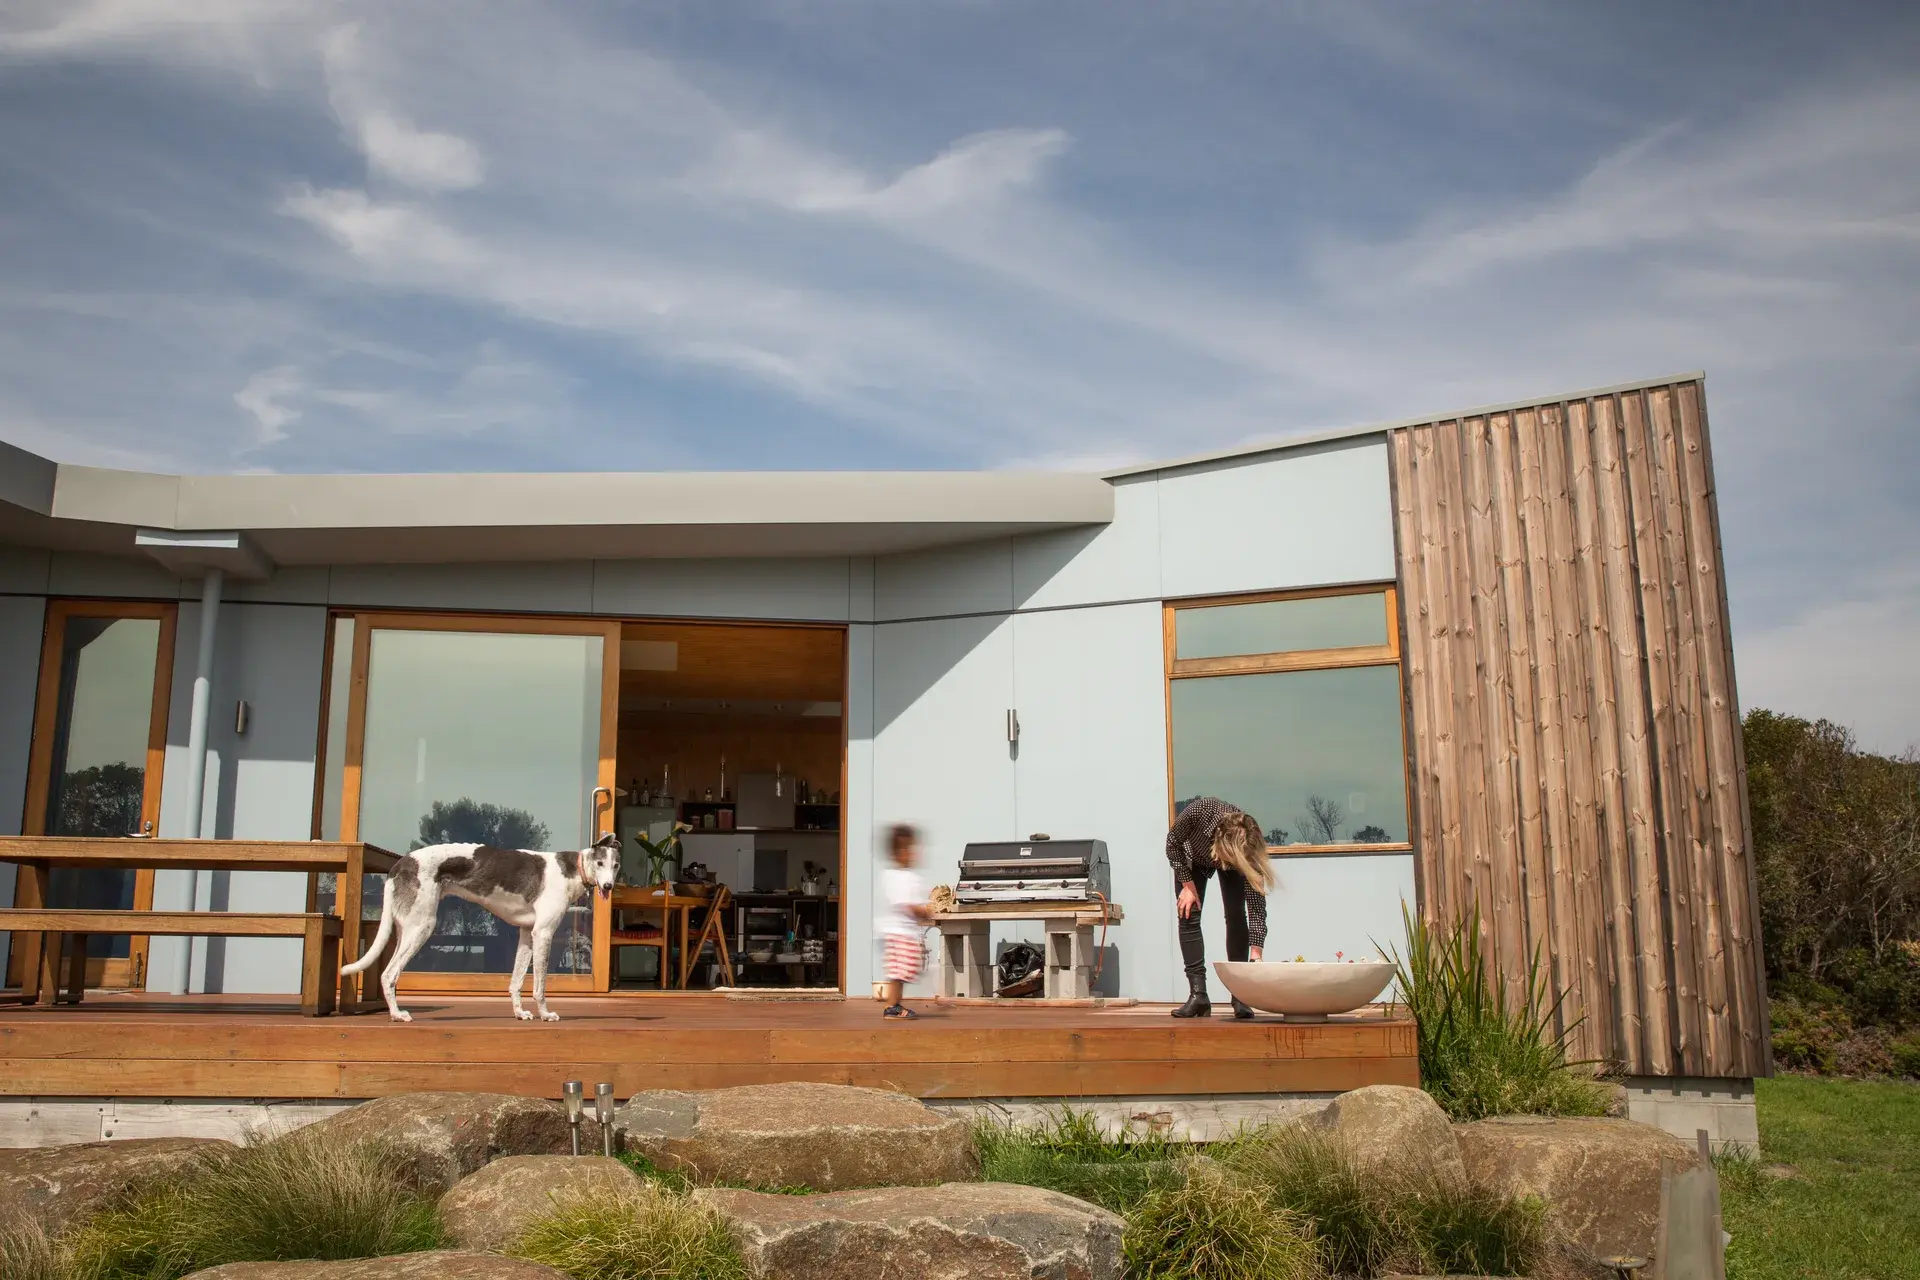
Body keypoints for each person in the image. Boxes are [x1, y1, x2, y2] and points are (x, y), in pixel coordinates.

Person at [1164, 796, 1272, 1019]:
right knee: (1188, 913)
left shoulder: (1247, 845)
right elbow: (1172, 842)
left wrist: (1256, 954)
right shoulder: (1201, 810)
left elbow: (1256, 905)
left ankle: (1240, 996)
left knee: (1236, 915)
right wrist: (1186, 883)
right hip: (1191, 857)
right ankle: (1198, 995)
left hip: (1231, 856)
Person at [877, 823, 934, 1019]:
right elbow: (907, 904)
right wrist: (926, 912)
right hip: (898, 933)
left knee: (902, 972)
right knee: (898, 972)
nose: (914, 853)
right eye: (909, 849)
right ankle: (891, 1007)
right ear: (898, 853)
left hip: (904, 933)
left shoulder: (907, 876)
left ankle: (896, 1005)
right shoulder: (897, 877)